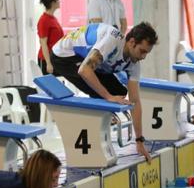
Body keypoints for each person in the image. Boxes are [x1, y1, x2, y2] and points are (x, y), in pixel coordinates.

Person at [51, 22, 158, 162]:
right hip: (65, 57)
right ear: (132, 42)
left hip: (87, 60)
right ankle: (91, 141)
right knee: (104, 93)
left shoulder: (134, 64)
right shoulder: (112, 41)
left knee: (119, 91)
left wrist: (139, 140)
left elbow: (135, 101)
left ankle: (99, 133)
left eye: (147, 53)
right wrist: (108, 97)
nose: (143, 57)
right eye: (142, 51)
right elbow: (84, 70)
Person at [36, 0, 64, 75]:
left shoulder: (53, 18)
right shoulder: (44, 20)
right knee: (48, 86)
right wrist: (48, 63)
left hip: (55, 58)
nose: (59, 1)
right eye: (58, 0)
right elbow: (43, 43)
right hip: (46, 60)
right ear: (52, 3)